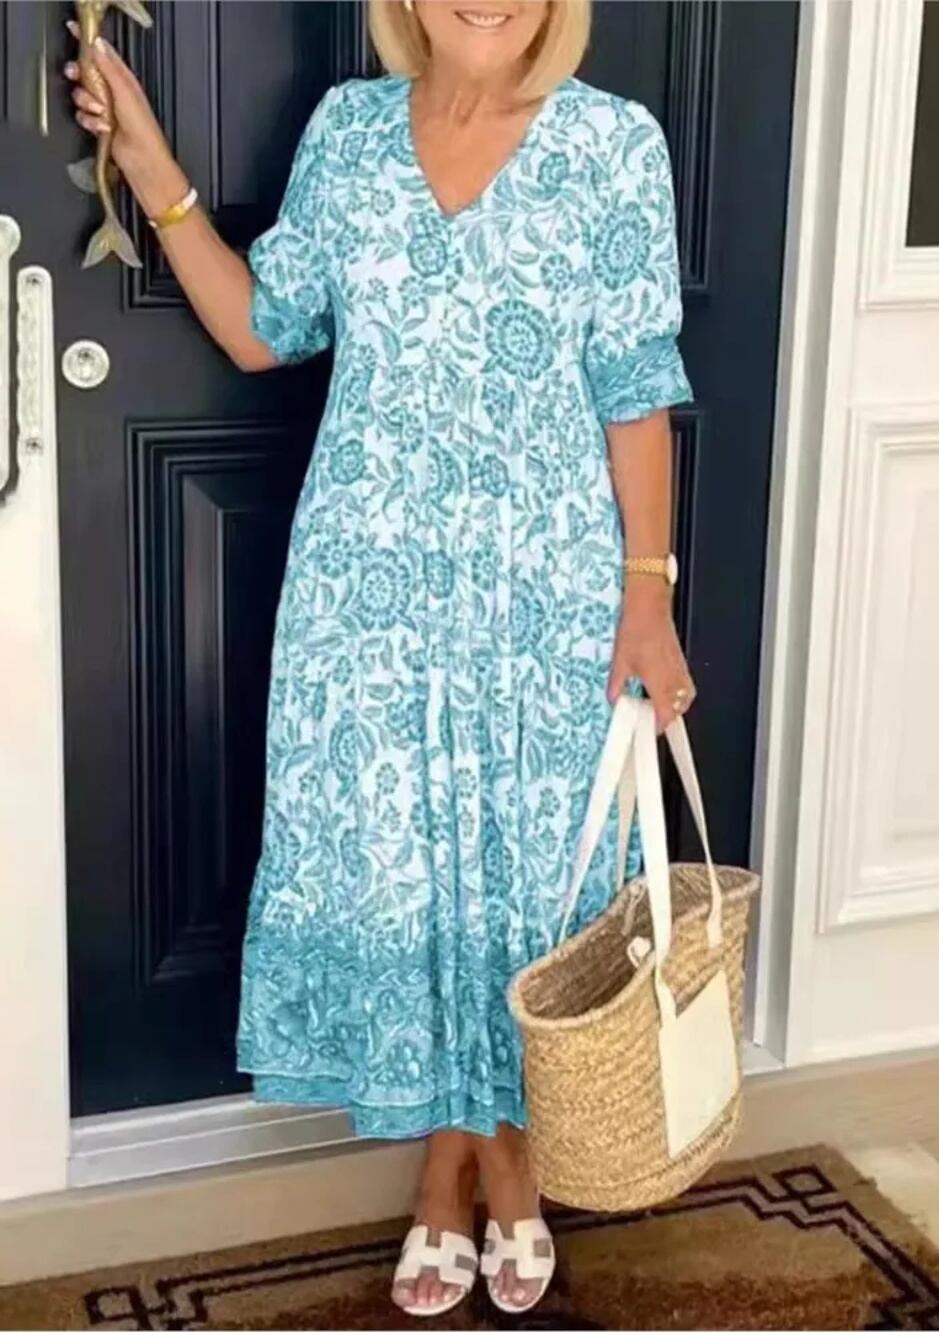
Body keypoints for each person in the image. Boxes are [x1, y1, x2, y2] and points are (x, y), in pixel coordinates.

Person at [65, 0, 696, 1316]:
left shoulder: (613, 146)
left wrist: (650, 596)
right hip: (369, 601)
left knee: (526, 891)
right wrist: (149, 163)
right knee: (405, 881)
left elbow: (636, 385)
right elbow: (265, 327)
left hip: (545, 597)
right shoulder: (349, 135)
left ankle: (493, 1163)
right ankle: (461, 1167)